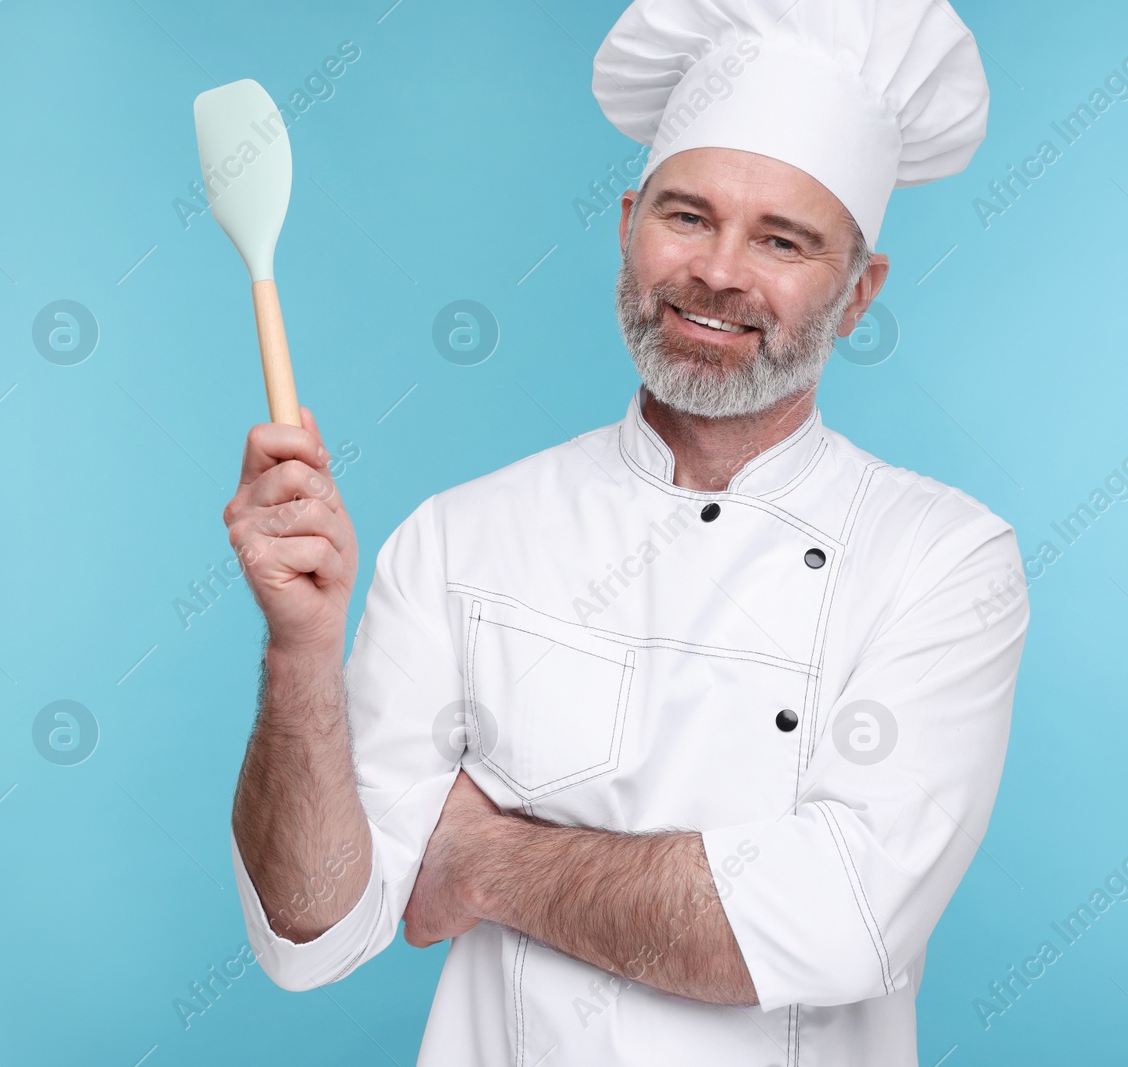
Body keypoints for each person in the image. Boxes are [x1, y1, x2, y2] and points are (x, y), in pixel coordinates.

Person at [222, 0, 1026, 1062]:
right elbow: (314, 930)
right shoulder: (461, 535)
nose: (720, 272)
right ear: (625, 227)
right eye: (686, 216)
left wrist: (481, 858)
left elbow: (836, 923)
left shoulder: (943, 558)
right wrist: (300, 651)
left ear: (858, 294)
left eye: (782, 239)